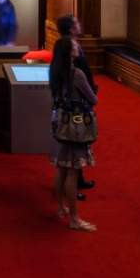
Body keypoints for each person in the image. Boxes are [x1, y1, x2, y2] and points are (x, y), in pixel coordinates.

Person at [50, 36, 98, 232]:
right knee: (72, 171)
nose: (78, 46)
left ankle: (61, 207)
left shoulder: (55, 71)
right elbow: (92, 98)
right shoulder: (76, 73)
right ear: (70, 52)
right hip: (76, 127)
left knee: (61, 167)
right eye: (75, 45)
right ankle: (74, 219)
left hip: (61, 122)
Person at [53, 14, 96, 196]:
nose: (79, 25)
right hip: (76, 108)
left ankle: (76, 181)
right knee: (73, 150)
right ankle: (72, 188)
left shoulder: (63, 47)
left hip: (70, 106)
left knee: (72, 150)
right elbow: (80, 78)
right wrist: (90, 93)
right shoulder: (71, 57)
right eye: (76, 23)